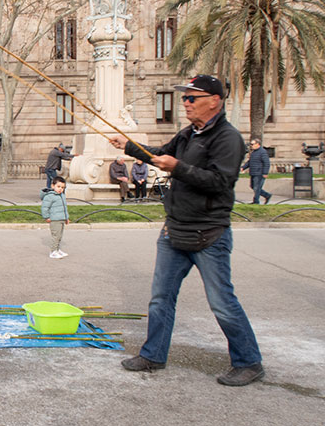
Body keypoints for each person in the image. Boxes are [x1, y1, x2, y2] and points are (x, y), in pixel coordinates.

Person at [110, 74, 263, 386]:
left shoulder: (228, 138)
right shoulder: (188, 134)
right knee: (160, 298)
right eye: (185, 97)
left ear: (214, 101)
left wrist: (178, 168)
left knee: (222, 302)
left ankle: (249, 362)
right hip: (175, 231)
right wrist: (129, 146)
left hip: (209, 234)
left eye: (193, 97)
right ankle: (153, 354)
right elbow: (160, 153)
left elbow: (220, 182)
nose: (186, 102)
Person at [40, 176, 70, 259]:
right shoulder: (49, 196)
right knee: (55, 236)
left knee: (60, 236)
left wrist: (66, 218)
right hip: (54, 220)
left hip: (61, 219)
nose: (60, 189)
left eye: (63, 187)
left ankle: (57, 249)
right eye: (58, 186)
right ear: (53, 186)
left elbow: (64, 208)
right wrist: (46, 217)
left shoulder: (62, 196)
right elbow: (45, 208)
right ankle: (53, 251)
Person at [242, 138, 271, 204]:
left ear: (258, 144)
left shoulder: (263, 152)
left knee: (257, 188)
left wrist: (265, 173)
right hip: (253, 172)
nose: (251, 146)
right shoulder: (253, 153)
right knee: (253, 186)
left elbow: (266, 163)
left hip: (259, 173)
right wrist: (243, 167)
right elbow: (250, 162)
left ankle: (256, 201)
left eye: (252, 144)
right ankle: (267, 195)